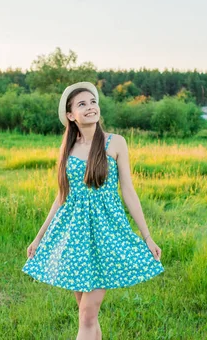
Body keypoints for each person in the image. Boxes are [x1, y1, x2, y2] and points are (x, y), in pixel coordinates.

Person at [22, 81, 164, 340]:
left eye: (93, 102)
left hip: (107, 235)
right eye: (82, 104)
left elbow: (128, 192)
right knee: (86, 315)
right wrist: (39, 237)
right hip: (75, 238)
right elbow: (62, 196)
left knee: (87, 315)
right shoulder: (68, 148)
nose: (90, 107)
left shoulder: (115, 143)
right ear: (70, 115)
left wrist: (147, 236)